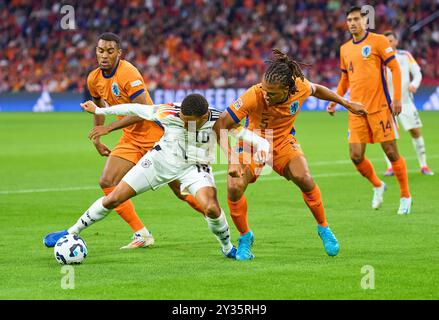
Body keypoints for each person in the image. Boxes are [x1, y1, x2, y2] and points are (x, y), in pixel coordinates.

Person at [44, 94, 271, 259]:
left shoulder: (218, 118)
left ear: (203, 117)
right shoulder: (168, 112)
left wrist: (260, 148)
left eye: (188, 120)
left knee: (211, 208)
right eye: (181, 117)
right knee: (114, 197)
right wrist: (99, 111)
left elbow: (248, 136)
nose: (182, 122)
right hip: (158, 162)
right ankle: (71, 231)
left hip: (195, 168)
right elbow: (134, 108)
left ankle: (227, 248)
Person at [43, 32, 204, 250]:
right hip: (130, 138)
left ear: (119, 53)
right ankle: (142, 233)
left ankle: (214, 215)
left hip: (156, 137)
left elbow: (144, 112)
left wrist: (108, 127)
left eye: (110, 51)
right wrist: (97, 136)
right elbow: (98, 107)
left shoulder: (129, 73)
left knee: (181, 192)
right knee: (107, 182)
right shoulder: (94, 78)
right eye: (101, 50)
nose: (104, 55)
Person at [214, 48, 368, 261]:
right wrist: (231, 160)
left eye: (272, 93)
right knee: (234, 187)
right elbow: (221, 123)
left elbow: (318, 90)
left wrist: (347, 103)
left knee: (305, 178)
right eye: (265, 90)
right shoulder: (254, 94)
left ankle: (323, 228)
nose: (266, 95)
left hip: (283, 141)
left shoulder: (301, 87)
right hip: (254, 142)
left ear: (287, 89)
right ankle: (245, 236)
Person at [327, 6, 412, 215]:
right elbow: (345, 79)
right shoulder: (344, 49)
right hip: (356, 110)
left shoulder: (379, 41)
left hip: (380, 108)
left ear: (365, 21)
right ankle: (377, 184)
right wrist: (335, 99)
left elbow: (394, 68)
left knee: (391, 151)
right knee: (355, 156)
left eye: (356, 19)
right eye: (349, 20)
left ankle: (405, 196)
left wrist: (397, 99)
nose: (353, 23)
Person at [382, 30, 434, 176]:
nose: (389, 44)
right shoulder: (380, 59)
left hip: (405, 102)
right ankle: (391, 167)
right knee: (388, 137)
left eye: (391, 41)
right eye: (386, 41)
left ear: (396, 42)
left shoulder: (405, 56)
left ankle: (423, 165)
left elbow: (417, 72)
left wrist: (415, 84)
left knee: (415, 131)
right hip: (387, 105)